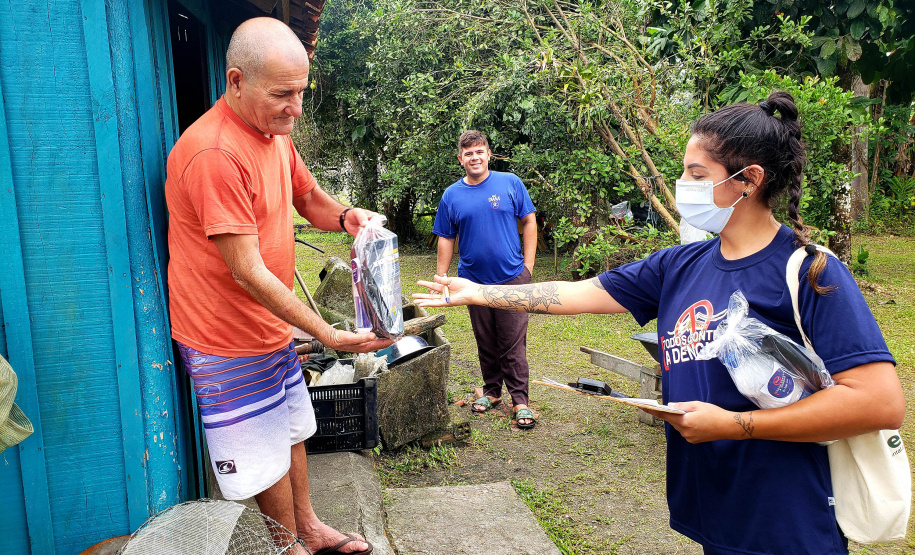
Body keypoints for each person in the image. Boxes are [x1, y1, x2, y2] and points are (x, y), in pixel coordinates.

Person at [414, 92, 905, 554]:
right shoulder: (680, 265)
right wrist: (480, 291)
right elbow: (580, 293)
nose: (683, 186)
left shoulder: (810, 271)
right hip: (712, 505)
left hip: (786, 515)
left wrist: (735, 426)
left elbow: (878, 401)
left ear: (749, 180)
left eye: (696, 173)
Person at [165, 17, 390, 555]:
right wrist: (327, 333)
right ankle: (287, 547)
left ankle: (308, 530)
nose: (296, 108)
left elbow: (308, 198)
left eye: (302, 93)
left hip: (268, 324)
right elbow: (247, 270)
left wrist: (347, 217)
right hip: (224, 336)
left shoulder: (273, 135)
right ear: (237, 81)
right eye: (282, 94)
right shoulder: (215, 153)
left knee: (291, 430)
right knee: (261, 454)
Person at [433, 130, 539, 428]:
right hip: (472, 283)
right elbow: (445, 237)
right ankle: (492, 391)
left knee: (512, 340)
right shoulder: (452, 195)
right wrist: (442, 277)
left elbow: (529, 221)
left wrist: (527, 267)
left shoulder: (510, 183)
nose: (474, 157)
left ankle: (520, 401)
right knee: (486, 338)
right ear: (461, 159)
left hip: (511, 278)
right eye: (468, 153)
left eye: (479, 151)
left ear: (488, 154)